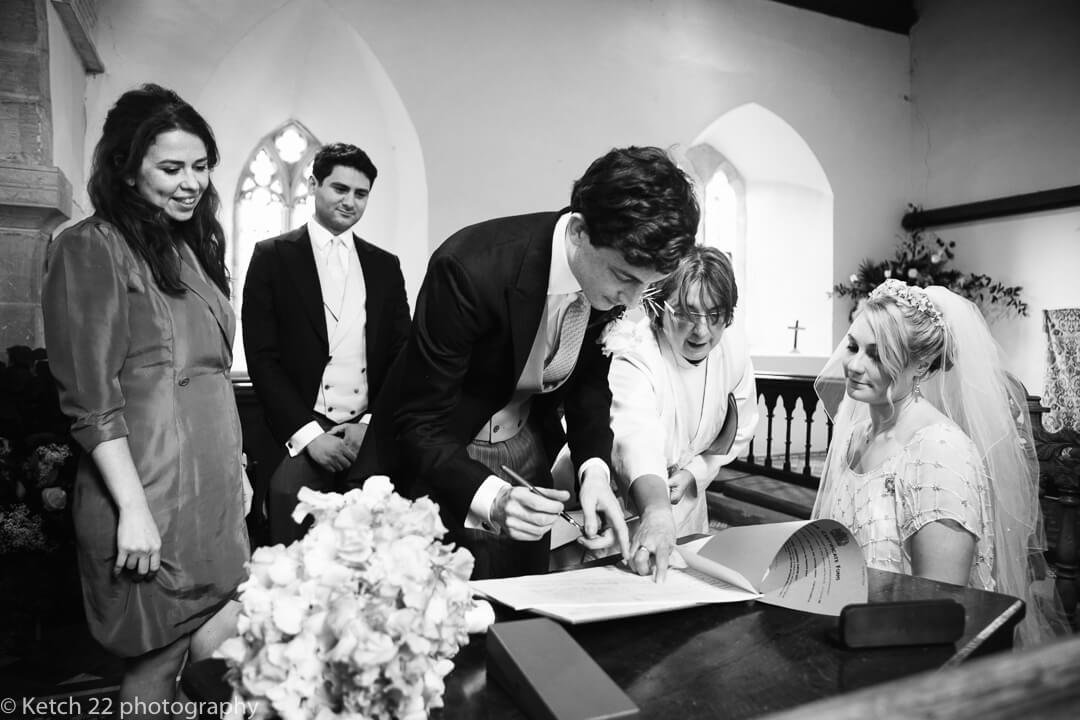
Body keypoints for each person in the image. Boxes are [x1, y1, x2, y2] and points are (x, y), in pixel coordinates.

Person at [358, 146, 700, 580]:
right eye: (625, 279)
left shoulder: (608, 278)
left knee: (525, 604)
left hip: (526, 450)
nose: (631, 302)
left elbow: (590, 386)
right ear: (579, 231)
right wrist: (492, 497)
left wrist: (592, 469)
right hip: (438, 458)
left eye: (647, 287)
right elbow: (420, 423)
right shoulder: (469, 268)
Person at [41, 84, 249, 713]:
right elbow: (90, 398)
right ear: (127, 170)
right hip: (147, 489)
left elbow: (210, 376)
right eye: (171, 168)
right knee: (157, 659)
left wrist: (237, 468)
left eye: (201, 166)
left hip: (210, 489)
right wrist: (132, 509)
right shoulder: (89, 246)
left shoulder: (188, 244)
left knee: (221, 645)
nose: (191, 183)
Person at [812, 278, 1068, 646]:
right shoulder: (855, 436)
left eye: (877, 354)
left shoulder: (940, 452)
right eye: (853, 346)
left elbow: (938, 606)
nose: (853, 364)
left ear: (920, 365)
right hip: (841, 625)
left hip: (902, 647)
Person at [242, 143, 409, 545]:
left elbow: (402, 355)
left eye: (361, 193)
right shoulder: (271, 257)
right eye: (339, 189)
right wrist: (308, 436)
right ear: (314, 185)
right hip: (300, 431)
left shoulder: (386, 266)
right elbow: (262, 357)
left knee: (378, 536)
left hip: (366, 432)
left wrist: (369, 425)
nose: (349, 201)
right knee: (287, 505)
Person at [607, 246, 758, 580]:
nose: (702, 331)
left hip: (688, 507)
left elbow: (741, 428)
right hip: (633, 503)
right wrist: (657, 509)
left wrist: (695, 472)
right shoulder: (636, 352)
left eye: (715, 314)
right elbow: (635, 437)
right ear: (657, 308)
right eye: (687, 314)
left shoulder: (732, 350)